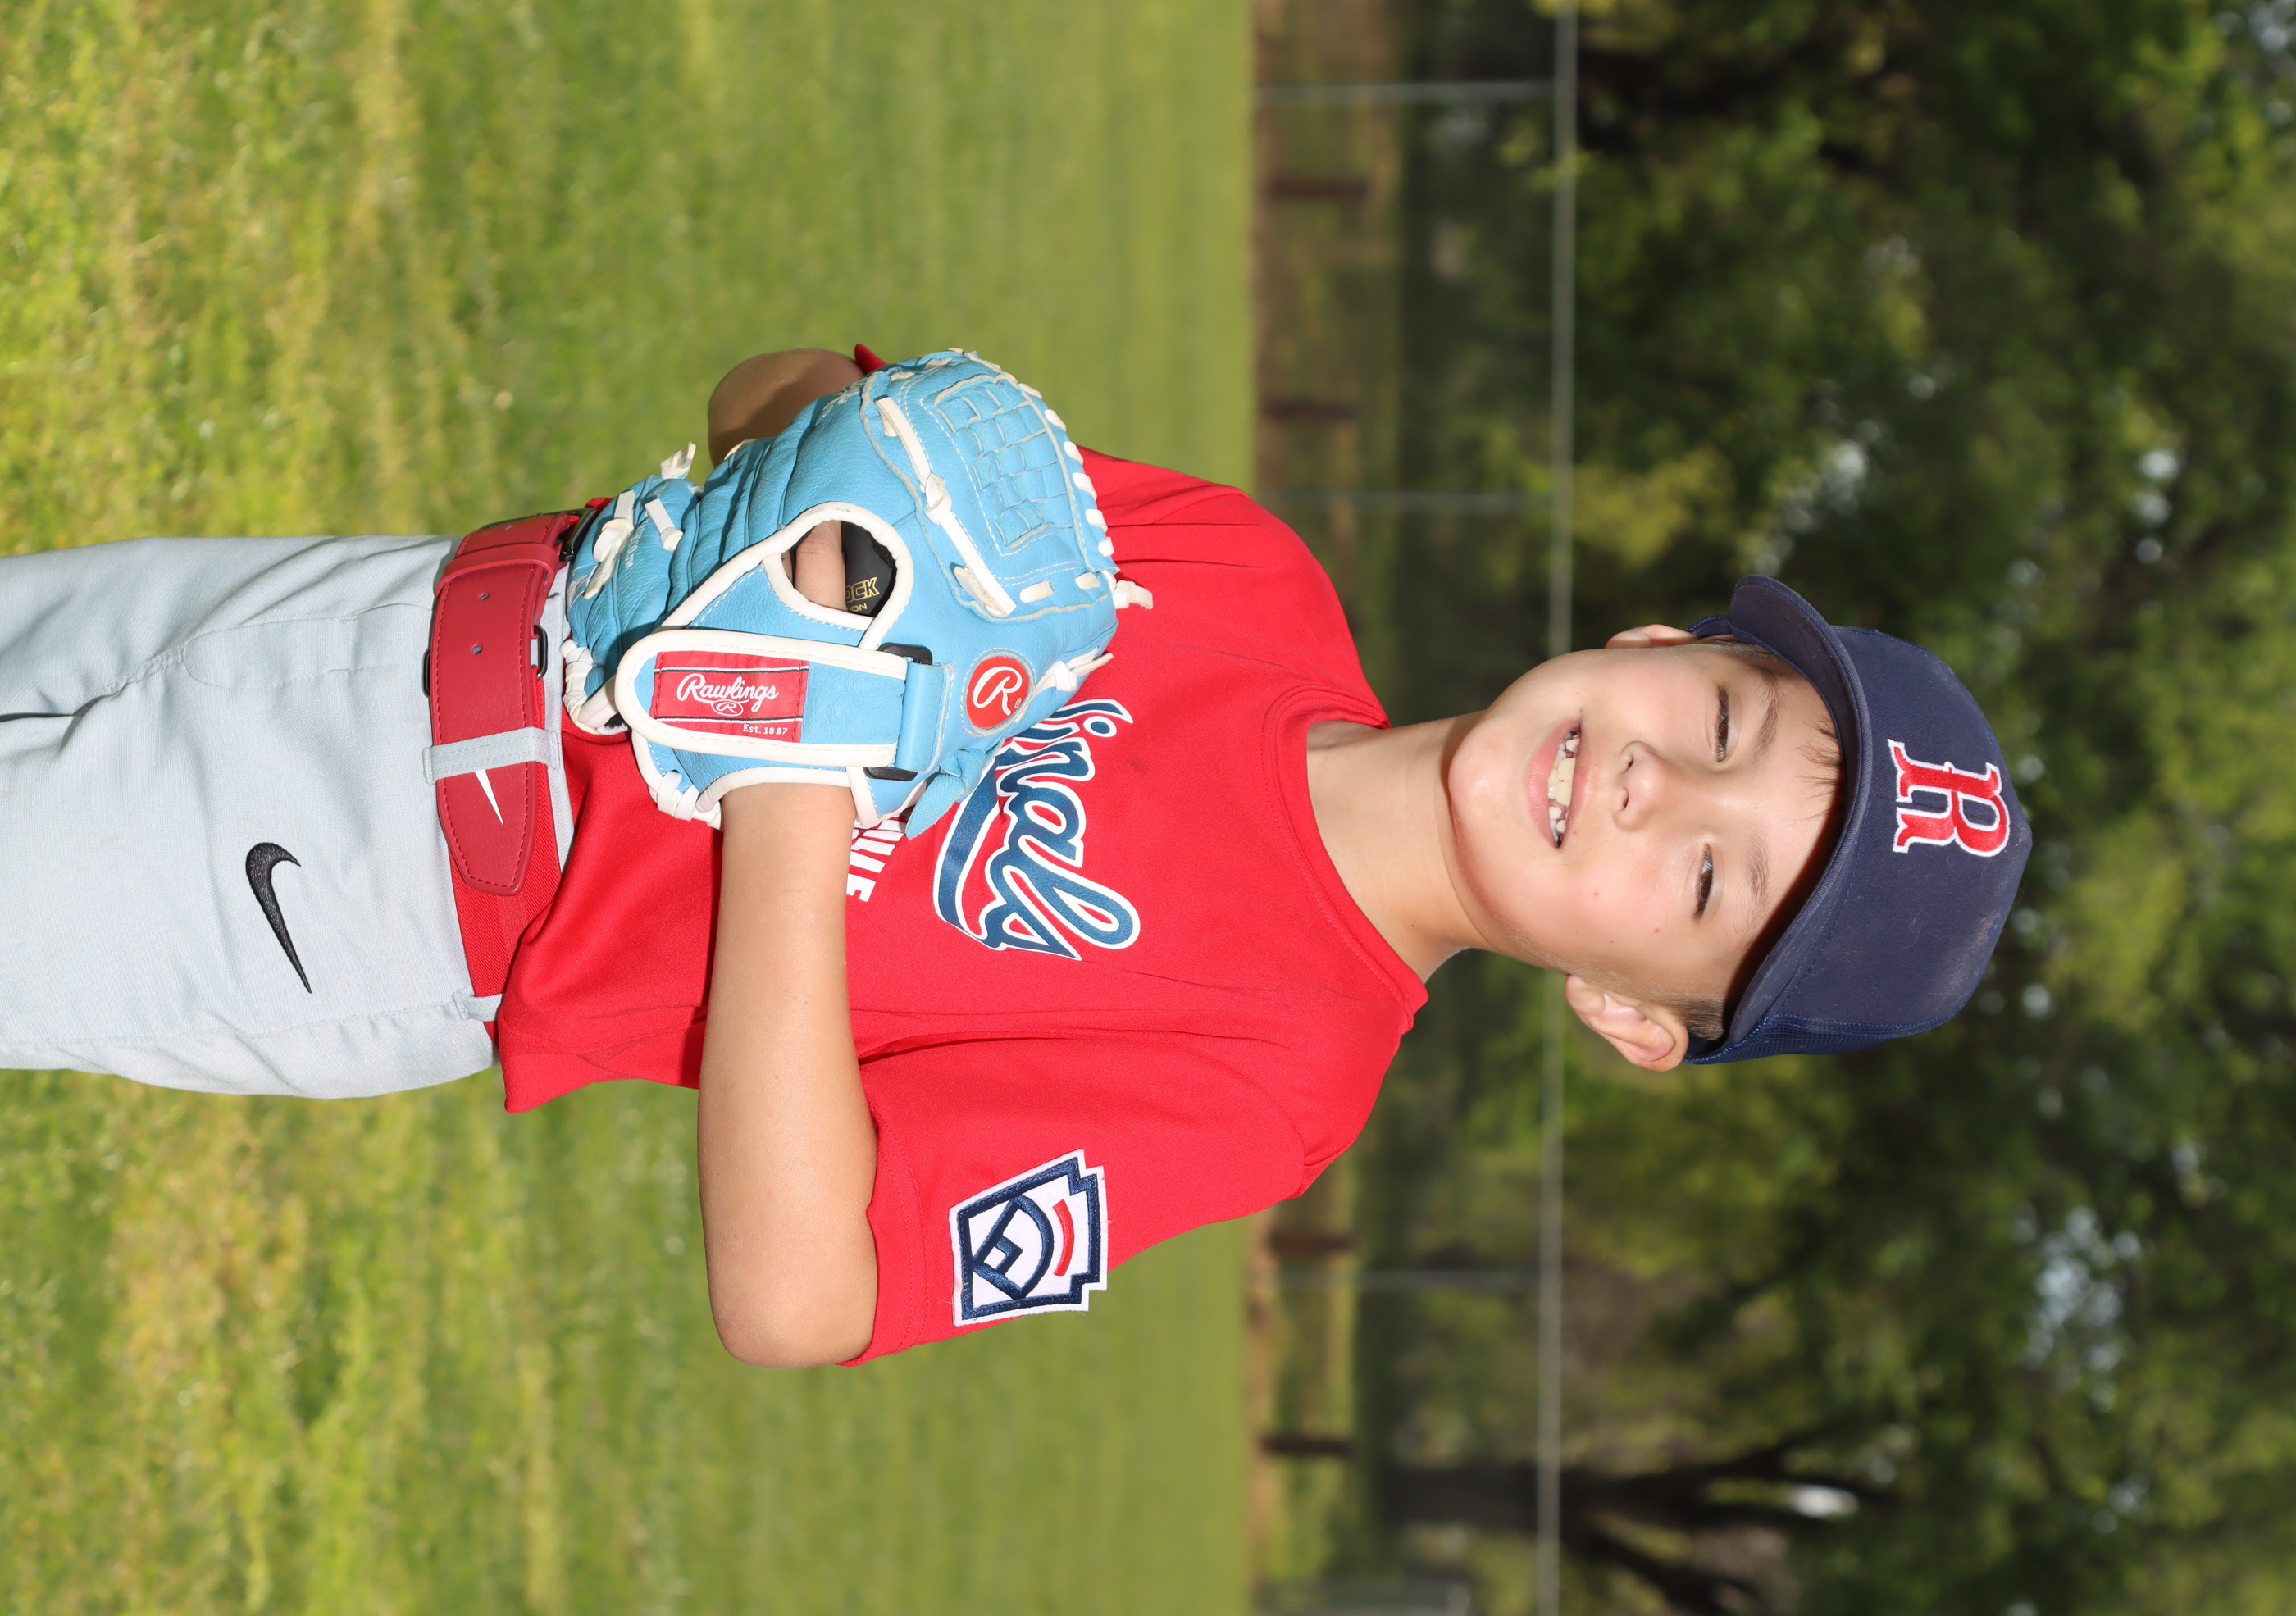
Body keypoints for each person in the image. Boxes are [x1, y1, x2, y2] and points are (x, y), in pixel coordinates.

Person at [0, 346, 2029, 1367]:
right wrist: (842, 452)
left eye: (1706, 889)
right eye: (1720, 725)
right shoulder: (1251, 570)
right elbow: (787, 404)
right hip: (391, 605)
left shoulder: (1277, 1082)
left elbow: (803, 1290)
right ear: (1663, 643)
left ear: (1631, 1018)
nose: (1653, 788)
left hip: (377, 889)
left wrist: (801, 768)